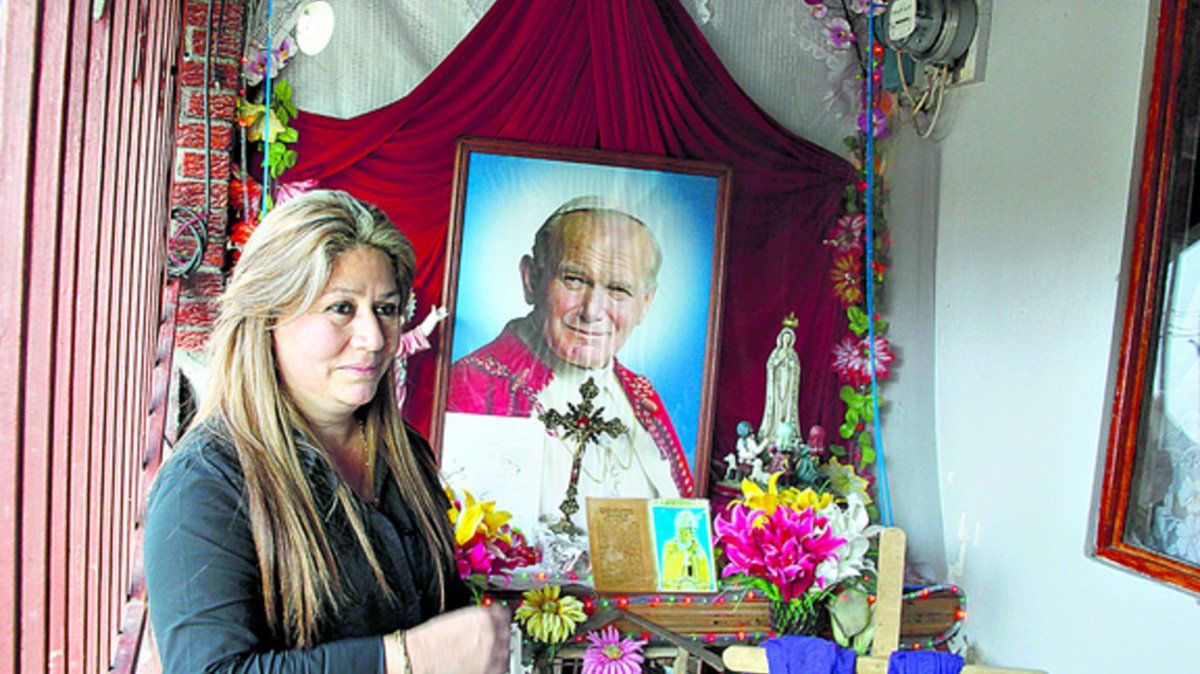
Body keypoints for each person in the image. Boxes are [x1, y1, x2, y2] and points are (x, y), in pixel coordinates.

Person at [145, 190, 510, 674]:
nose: (375, 338)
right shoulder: (207, 482)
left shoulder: (406, 453)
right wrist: (401, 659)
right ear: (269, 315)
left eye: (386, 308)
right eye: (341, 308)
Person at [447, 196, 694, 515]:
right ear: (531, 279)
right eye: (574, 279)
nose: (592, 312)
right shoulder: (473, 387)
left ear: (645, 303)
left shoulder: (642, 399)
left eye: (619, 290)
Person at [659, 510, 712, 591]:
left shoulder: (696, 546)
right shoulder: (670, 546)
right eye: (689, 529)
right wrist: (683, 553)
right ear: (680, 529)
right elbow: (669, 569)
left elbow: (703, 568)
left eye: (693, 529)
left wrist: (697, 553)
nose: (692, 532)